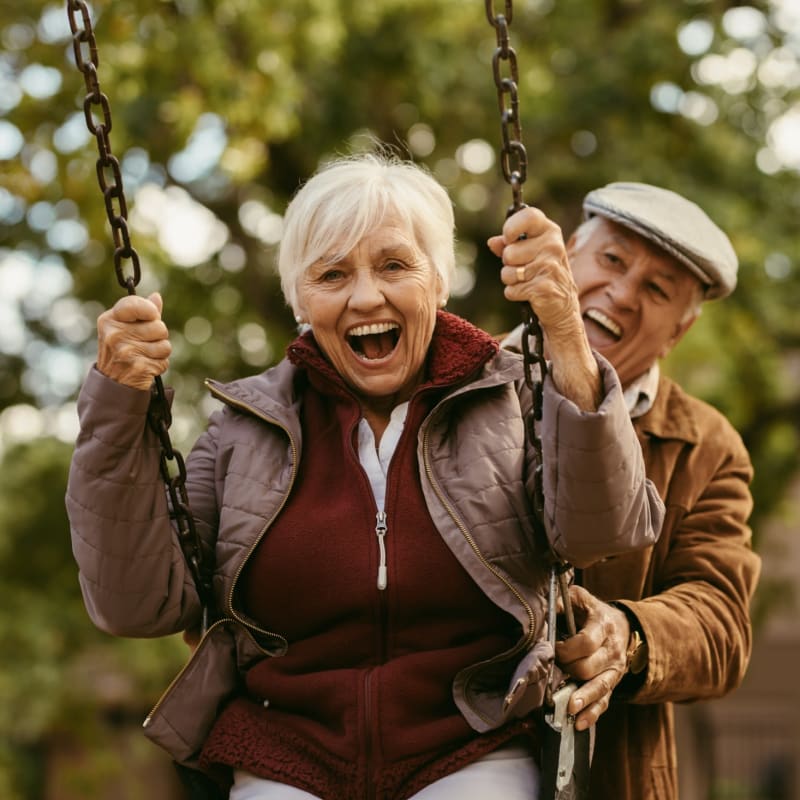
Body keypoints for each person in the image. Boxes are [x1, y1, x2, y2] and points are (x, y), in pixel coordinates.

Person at [66, 153, 664, 800]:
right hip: (284, 754)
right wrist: (119, 406)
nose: (365, 296)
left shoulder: (511, 399)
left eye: (394, 265)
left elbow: (602, 530)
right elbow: (138, 605)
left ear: (437, 281)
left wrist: (566, 336)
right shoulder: (243, 430)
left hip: (472, 746)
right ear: (301, 299)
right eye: (331, 274)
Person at [495, 181, 761, 800]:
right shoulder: (455, 381)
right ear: (567, 258)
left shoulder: (707, 446)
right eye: (612, 260)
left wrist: (629, 634)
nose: (621, 293)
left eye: (657, 289)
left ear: (680, 331)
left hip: (609, 776)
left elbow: (721, 623)